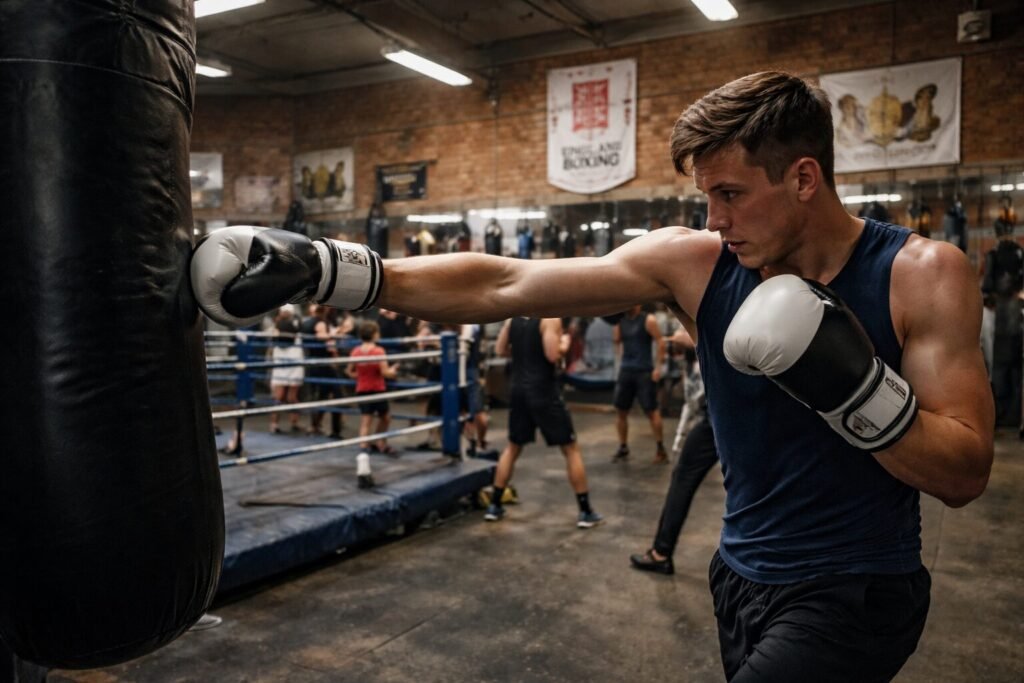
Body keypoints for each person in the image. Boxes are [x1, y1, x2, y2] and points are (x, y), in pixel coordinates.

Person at [192, 71, 994, 682]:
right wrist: (332, 270)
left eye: (731, 194)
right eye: (704, 195)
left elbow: (964, 471)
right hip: (740, 577)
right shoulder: (697, 266)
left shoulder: (919, 273)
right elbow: (504, 282)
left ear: (805, 179)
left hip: (857, 589)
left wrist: (856, 393)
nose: (714, 217)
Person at [483, 317, 603, 528]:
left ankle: (494, 506)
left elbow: (501, 349)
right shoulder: (549, 319)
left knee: (513, 447)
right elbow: (552, 355)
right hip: (543, 391)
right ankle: (585, 511)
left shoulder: (513, 319)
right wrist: (565, 343)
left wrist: (524, 355)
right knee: (570, 448)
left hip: (518, 390)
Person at [630, 327, 718, 575]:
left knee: (685, 478)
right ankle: (661, 551)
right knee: (684, 476)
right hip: (722, 415)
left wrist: (689, 338)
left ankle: (661, 552)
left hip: (727, 415)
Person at [610, 304, 668, 463]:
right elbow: (616, 341)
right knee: (621, 410)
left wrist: (658, 368)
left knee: (651, 410)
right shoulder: (621, 321)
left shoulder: (647, 320)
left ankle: (660, 448)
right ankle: (623, 447)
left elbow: (661, 342)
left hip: (644, 371)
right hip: (626, 370)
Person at [347, 321, 399, 455]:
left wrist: (360, 375)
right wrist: (393, 371)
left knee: (366, 420)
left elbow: (348, 371)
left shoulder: (356, 351)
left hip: (362, 388)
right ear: (375, 334)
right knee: (385, 417)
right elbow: (385, 373)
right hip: (377, 389)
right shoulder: (378, 351)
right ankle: (379, 441)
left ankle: (364, 447)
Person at [299, 304, 342, 438]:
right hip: (324, 363)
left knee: (319, 395)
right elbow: (323, 338)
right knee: (337, 395)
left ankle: (315, 425)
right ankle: (335, 430)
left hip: (312, 361)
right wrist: (336, 334)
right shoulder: (321, 323)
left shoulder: (306, 323)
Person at [268, 306, 304, 434]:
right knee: (279, 396)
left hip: (294, 362)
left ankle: (294, 423)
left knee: (292, 397)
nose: (284, 313)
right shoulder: (276, 326)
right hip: (281, 363)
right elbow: (273, 343)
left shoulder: (296, 324)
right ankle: (274, 424)